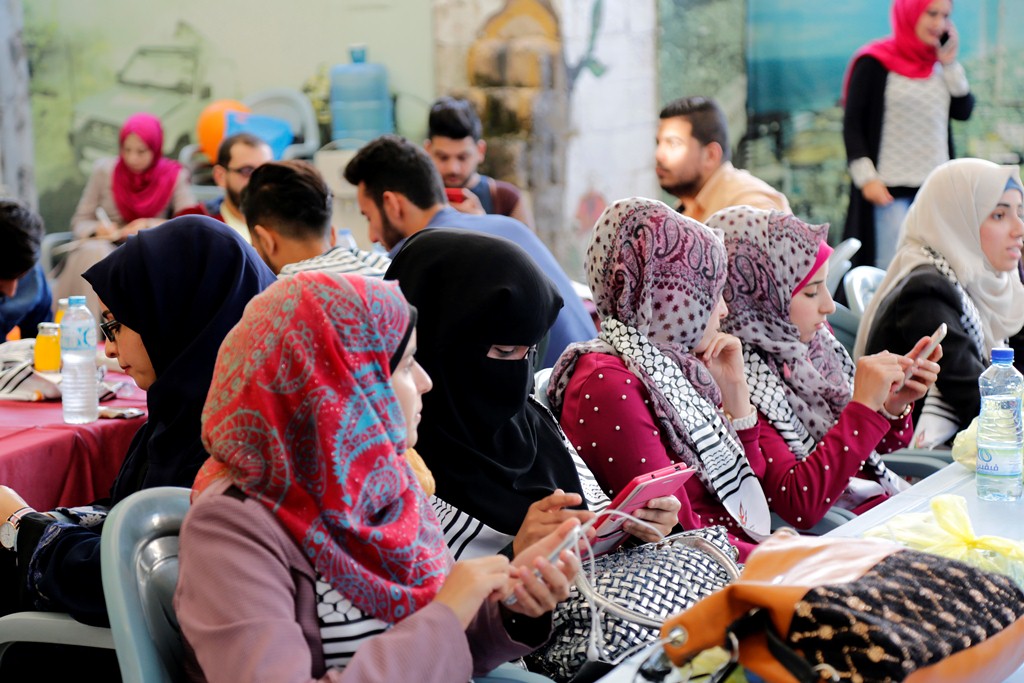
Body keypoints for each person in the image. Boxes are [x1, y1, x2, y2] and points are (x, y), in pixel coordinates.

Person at [175, 271, 580, 682]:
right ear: (338, 385)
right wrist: (447, 613)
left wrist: (511, 608)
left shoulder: (386, 485)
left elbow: (445, 651)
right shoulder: (230, 528)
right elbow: (433, 635)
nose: (425, 382)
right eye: (405, 365)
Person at [0, 215, 275, 626]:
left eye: (115, 325)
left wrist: (20, 525)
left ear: (174, 312)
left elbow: (133, 576)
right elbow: (126, 516)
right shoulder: (191, 411)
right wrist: (49, 522)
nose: (109, 350)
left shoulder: (226, 444)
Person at [384, 229, 679, 562]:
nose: (519, 375)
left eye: (531, 352)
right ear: (437, 342)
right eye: (505, 351)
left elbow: (592, 527)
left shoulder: (533, 422)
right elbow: (421, 589)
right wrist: (516, 556)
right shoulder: (392, 468)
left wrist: (635, 528)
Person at [547, 198, 771, 560]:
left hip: (734, 555)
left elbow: (749, 488)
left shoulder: (667, 367)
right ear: (671, 297)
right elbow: (684, 535)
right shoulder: (610, 382)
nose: (724, 310)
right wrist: (782, 554)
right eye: (712, 293)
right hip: (710, 571)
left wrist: (735, 391)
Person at [707, 206, 936, 527]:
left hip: (875, 512)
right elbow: (798, 504)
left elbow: (876, 454)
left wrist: (890, 407)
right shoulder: (734, 377)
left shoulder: (814, 345)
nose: (829, 305)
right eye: (812, 291)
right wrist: (862, 408)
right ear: (759, 296)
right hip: (844, 534)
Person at [344, 135, 595, 368]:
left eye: (369, 217)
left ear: (392, 204)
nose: (372, 236)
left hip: (552, 394)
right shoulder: (508, 225)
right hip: (589, 377)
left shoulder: (421, 257)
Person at [856, 159, 1024, 447]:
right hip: (926, 462)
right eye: (999, 215)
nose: (1019, 229)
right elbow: (978, 402)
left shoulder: (974, 279)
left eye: (1019, 213)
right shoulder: (926, 292)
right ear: (957, 219)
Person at [842, 0, 974, 269]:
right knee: (890, 268)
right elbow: (853, 125)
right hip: (888, 191)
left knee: (936, 268)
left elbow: (963, 110)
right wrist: (867, 179)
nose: (939, 23)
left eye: (945, 16)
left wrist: (949, 64)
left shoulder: (939, 65)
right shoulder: (874, 62)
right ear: (910, 13)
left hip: (935, 190)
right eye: (931, 13)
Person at [55, 113, 196, 319]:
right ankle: (89, 329)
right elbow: (80, 221)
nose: (132, 158)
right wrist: (97, 230)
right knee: (96, 253)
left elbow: (191, 226)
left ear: (156, 148)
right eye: (126, 150)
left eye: (141, 151)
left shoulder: (173, 176)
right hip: (106, 249)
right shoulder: (105, 171)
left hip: (149, 252)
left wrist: (149, 226)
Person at [241, 160, 389, 277]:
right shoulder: (386, 268)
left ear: (266, 241)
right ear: (332, 235)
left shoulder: (275, 295)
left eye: (254, 245)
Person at [655, 97, 790, 223]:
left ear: (710, 155)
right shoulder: (687, 205)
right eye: (658, 143)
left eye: (673, 143)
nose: (659, 155)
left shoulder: (749, 206)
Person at [425, 96, 535, 230]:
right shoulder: (412, 200)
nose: (453, 168)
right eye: (443, 157)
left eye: (462, 157)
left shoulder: (507, 199)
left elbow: (526, 244)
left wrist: (482, 224)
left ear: (480, 151)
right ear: (427, 150)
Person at [174, 132, 274, 244]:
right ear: (220, 176)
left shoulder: (285, 221)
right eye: (247, 171)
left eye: (267, 170)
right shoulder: (195, 225)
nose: (260, 180)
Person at [0, 199, 52, 339]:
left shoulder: (33, 275)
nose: (11, 292)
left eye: (20, 277)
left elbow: (41, 339)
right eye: (3, 279)